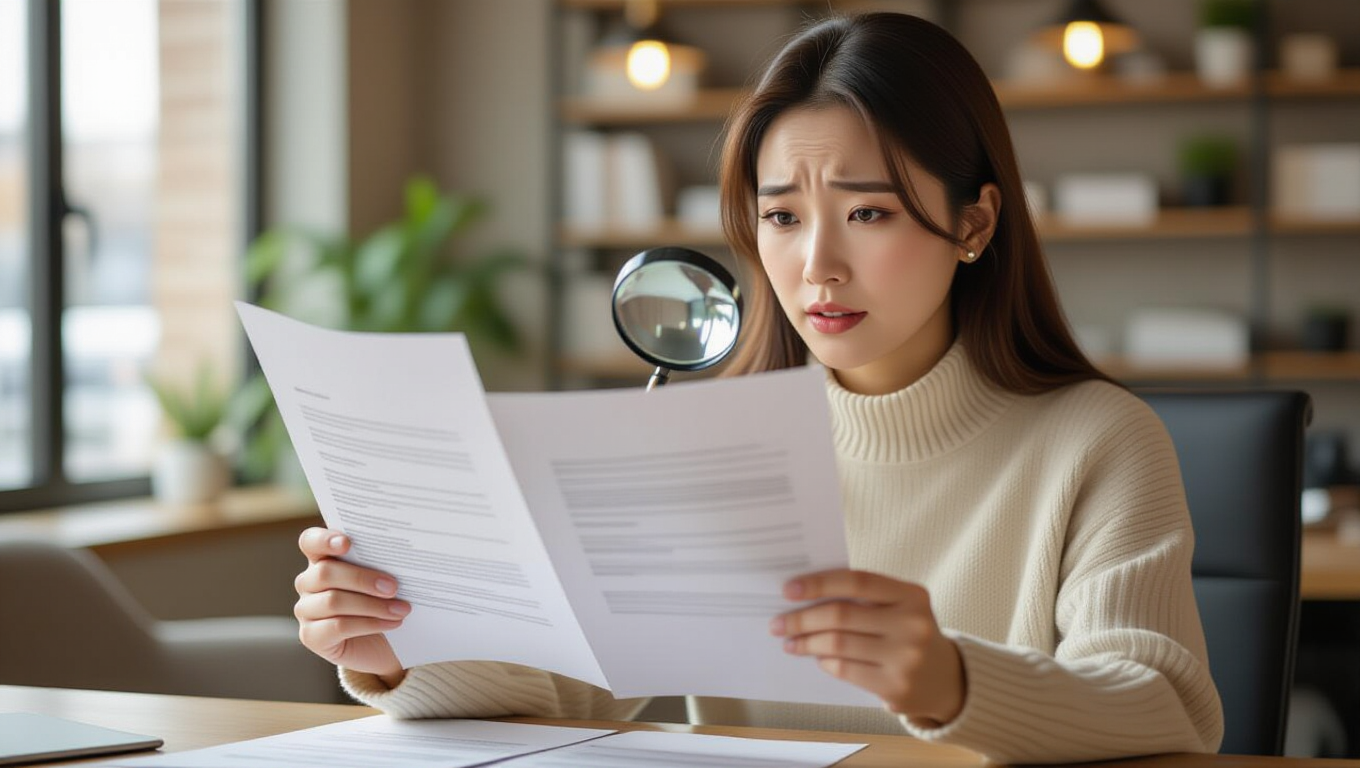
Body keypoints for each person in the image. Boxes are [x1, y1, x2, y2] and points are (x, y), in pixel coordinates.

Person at [291, 12, 1224, 763]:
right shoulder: (702, 437)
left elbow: (1168, 707)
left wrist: (948, 680)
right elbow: (571, 693)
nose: (817, 265)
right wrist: (398, 653)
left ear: (974, 223)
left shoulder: (1098, 439)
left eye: (868, 212)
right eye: (781, 217)